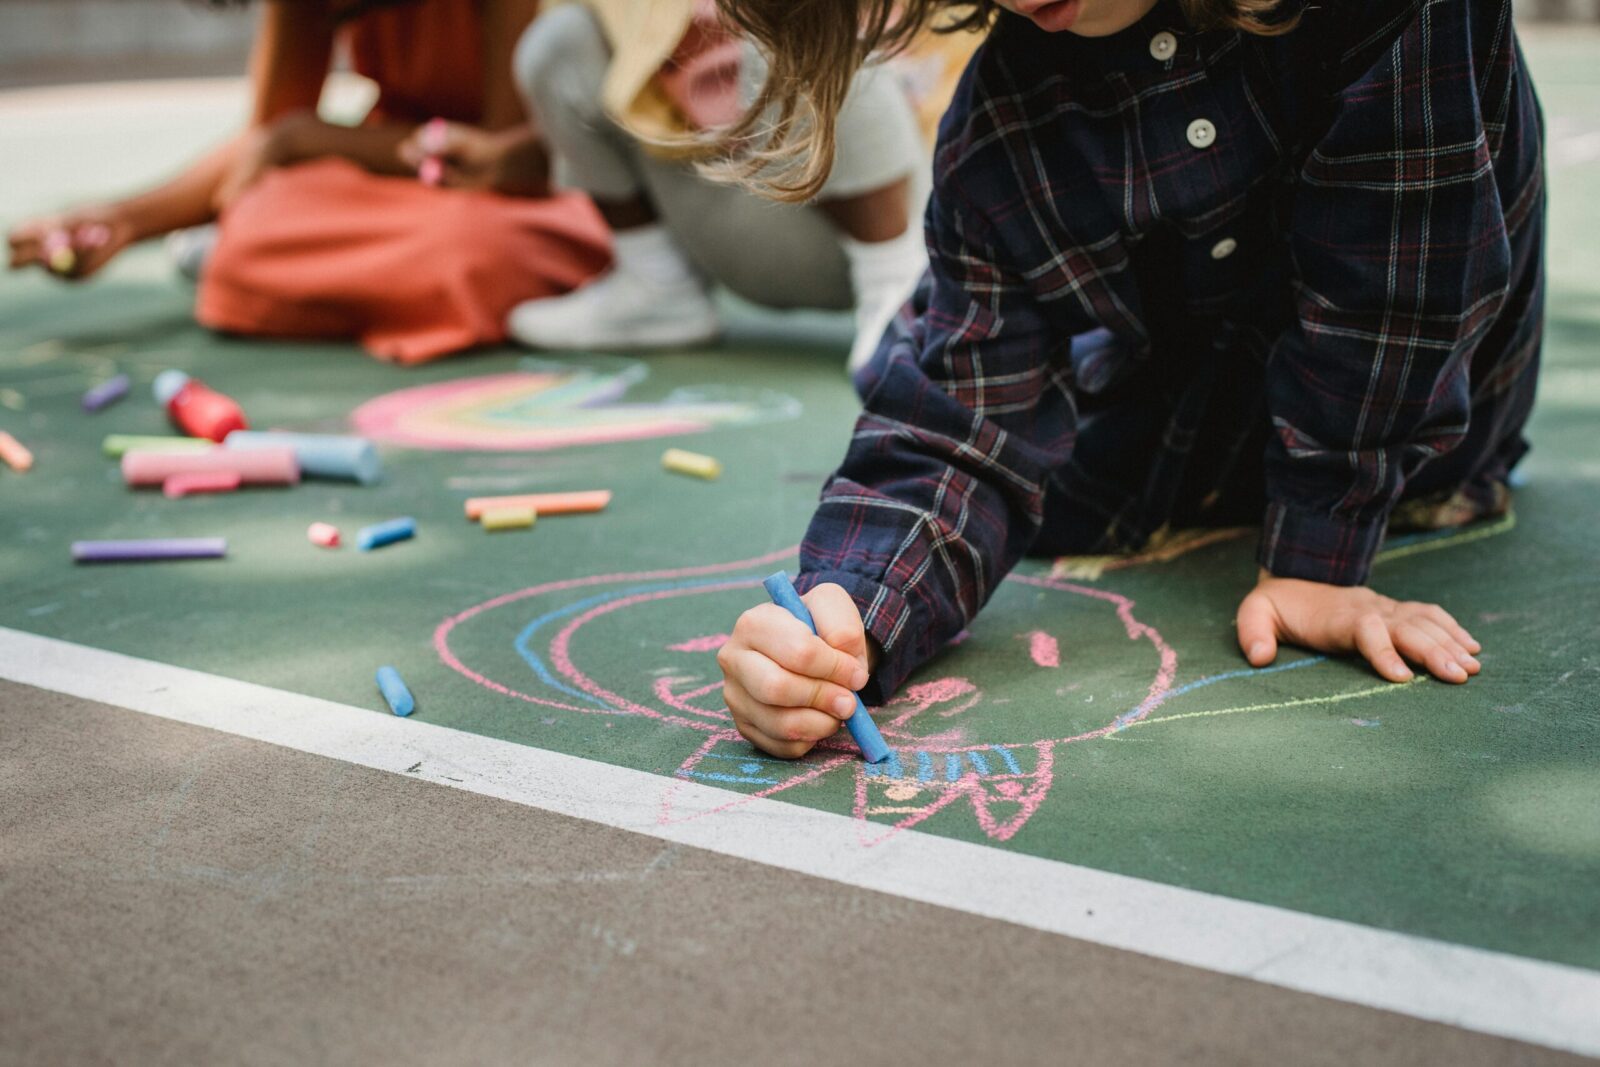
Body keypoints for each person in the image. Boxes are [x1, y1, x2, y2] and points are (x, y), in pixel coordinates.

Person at [712, 0, 1545, 759]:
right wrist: (847, 616)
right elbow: (964, 426)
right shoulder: (1006, 123)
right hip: (1176, 439)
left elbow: (1402, 285)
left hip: (1415, 443)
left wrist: (1317, 553)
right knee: (948, 364)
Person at [6, 0, 609, 365]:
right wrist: (121, 220)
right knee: (260, 219)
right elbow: (263, 148)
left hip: (531, 191)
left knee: (469, 250)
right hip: (408, 185)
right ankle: (367, 287)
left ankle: (332, 286)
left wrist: (314, 139)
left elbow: (506, 158)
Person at [506, 0, 976, 372]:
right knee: (560, 41)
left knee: (794, 22)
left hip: (887, 210)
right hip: (722, 195)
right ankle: (657, 286)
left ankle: (902, 296)